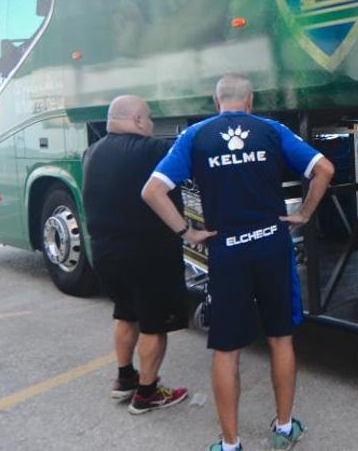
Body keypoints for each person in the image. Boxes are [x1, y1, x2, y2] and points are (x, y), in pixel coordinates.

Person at [142, 74, 335, 451]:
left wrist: (186, 232)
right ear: (250, 102)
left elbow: (152, 190)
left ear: (216, 103)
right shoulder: (271, 130)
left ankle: (230, 445)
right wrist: (305, 214)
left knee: (227, 350)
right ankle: (283, 430)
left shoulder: (195, 136)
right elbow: (324, 169)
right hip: (271, 246)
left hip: (227, 250)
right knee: (281, 339)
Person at [82, 95, 192, 414]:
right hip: (148, 256)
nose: (153, 124)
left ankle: (124, 379)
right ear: (139, 121)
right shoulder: (153, 151)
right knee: (153, 325)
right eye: (150, 119)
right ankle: (147, 393)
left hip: (105, 255)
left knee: (125, 312)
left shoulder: (92, 152)